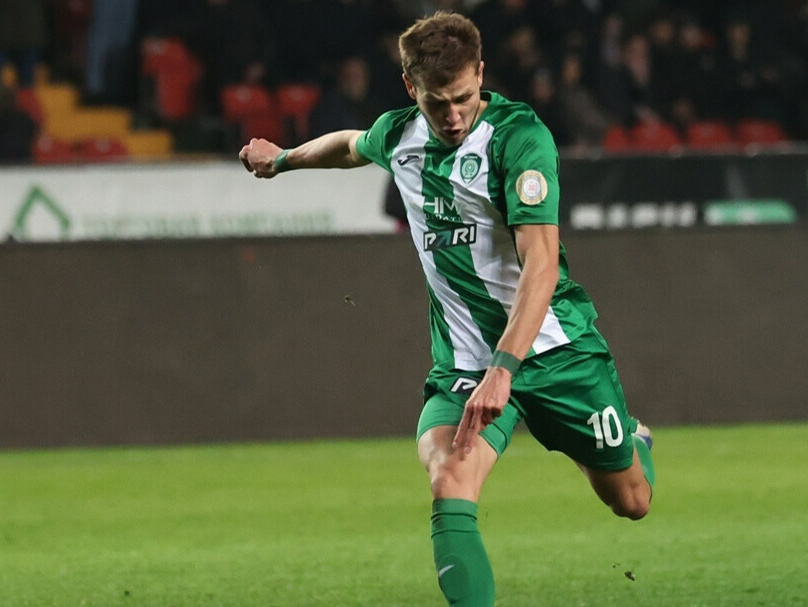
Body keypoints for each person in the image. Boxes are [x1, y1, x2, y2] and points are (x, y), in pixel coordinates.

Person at [238, 12, 655, 607]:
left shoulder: (520, 138)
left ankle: (635, 440)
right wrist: (283, 159)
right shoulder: (400, 136)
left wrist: (505, 370)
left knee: (631, 501)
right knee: (449, 480)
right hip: (465, 364)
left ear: (481, 74)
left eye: (463, 98)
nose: (453, 116)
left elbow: (541, 264)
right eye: (438, 103)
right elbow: (350, 145)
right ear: (411, 88)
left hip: (554, 352)